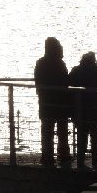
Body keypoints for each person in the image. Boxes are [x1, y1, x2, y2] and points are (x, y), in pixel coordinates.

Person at [68, 51, 97, 170]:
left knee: (82, 134)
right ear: (94, 60)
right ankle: (95, 160)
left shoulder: (76, 71)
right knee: (95, 134)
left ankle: (81, 160)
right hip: (96, 107)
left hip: (80, 107)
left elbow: (67, 84)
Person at [34, 37, 71, 167]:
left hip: (46, 103)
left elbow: (38, 82)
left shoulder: (41, 63)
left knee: (47, 131)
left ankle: (47, 156)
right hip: (60, 103)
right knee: (62, 130)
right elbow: (66, 80)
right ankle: (63, 155)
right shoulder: (60, 64)